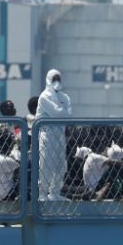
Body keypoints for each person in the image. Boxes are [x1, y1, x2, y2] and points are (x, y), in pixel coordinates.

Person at [36, 69, 72, 201]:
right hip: (47, 135)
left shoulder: (65, 97)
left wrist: (62, 113)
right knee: (45, 165)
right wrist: (62, 113)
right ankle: (42, 193)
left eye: (58, 79)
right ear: (48, 79)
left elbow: (68, 115)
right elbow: (57, 114)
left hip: (60, 135)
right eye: (54, 79)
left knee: (60, 166)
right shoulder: (44, 97)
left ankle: (55, 193)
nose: (56, 81)